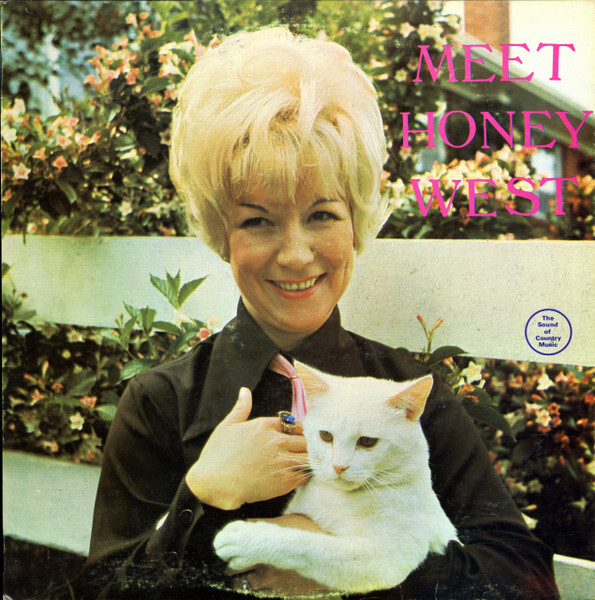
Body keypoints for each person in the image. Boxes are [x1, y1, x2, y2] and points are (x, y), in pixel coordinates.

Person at [82, 27, 559, 599]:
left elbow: (526, 580)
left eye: (322, 215)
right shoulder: (160, 403)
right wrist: (201, 495)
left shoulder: (405, 393)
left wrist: (344, 569)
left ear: (356, 224)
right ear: (221, 234)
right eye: (258, 220)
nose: (296, 254)